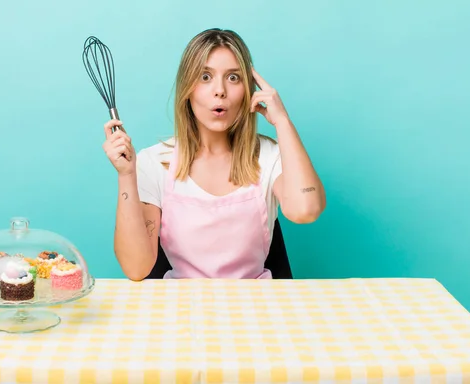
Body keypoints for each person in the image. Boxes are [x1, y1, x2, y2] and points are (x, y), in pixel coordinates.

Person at [102, 28, 326, 281]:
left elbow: (305, 210)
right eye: (205, 76)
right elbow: (136, 268)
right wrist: (126, 175)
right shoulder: (154, 162)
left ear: (248, 90)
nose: (220, 90)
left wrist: (283, 122)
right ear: (188, 89)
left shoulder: (268, 155)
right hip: (181, 310)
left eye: (233, 78)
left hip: (256, 310)